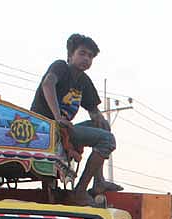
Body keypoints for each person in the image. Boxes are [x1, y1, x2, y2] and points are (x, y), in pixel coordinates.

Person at [32, 33, 122, 206]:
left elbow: (94, 111)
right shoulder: (60, 67)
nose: (86, 58)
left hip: (64, 129)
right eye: (82, 53)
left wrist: (100, 120)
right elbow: (47, 84)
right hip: (47, 128)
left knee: (104, 129)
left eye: (90, 56)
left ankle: (98, 181)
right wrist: (57, 117)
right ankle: (80, 191)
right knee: (107, 140)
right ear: (70, 55)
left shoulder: (83, 81)